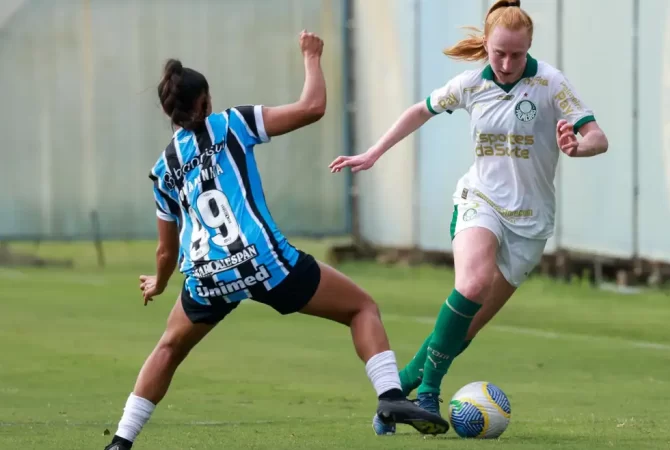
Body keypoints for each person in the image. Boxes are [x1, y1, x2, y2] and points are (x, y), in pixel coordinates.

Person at [104, 30, 448, 450]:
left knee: (169, 348)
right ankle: (391, 398)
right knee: (362, 308)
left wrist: (158, 282)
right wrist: (311, 56)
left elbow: (166, 248)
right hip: (263, 260)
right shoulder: (231, 124)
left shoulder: (164, 168)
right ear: (207, 101)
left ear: (169, 112)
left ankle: (121, 440)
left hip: (207, 275)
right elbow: (312, 108)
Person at [329, 0, 609, 435]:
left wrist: (578, 146)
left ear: (529, 46)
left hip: (531, 223)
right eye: (499, 52)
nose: (506, 62)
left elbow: (598, 136)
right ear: (487, 44)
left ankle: (396, 396)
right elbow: (419, 110)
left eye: (516, 54)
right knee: (472, 284)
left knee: (463, 329)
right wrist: (373, 152)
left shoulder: (551, 83)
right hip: (480, 200)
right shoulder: (470, 83)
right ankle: (428, 395)